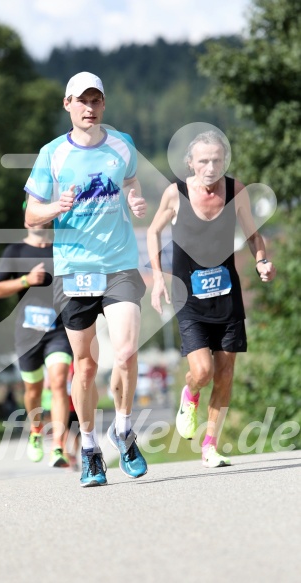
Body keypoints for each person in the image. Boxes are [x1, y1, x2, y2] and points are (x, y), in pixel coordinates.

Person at [24, 71, 148, 487]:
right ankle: (92, 447)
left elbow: (130, 180)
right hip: (75, 269)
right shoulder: (52, 155)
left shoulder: (121, 145)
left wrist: (134, 197)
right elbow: (30, 215)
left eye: (96, 101)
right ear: (67, 105)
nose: (89, 108)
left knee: (127, 351)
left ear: (103, 105)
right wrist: (55, 207)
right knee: (86, 365)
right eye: (82, 101)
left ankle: (125, 431)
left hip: (119, 263)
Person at [147, 130, 276, 468]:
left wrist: (261, 260)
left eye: (217, 160)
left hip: (227, 294)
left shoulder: (236, 191)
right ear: (191, 163)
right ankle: (189, 396)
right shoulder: (175, 194)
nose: (210, 167)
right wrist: (158, 277)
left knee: (226, 371)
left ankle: (210, 445)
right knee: (202, 371)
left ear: (225, 162)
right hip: (189, 297)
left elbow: (252, 234)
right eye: (203, 160)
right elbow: (152, 231)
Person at [0, 225, 73, 468]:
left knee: (58, 382)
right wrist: (26, 280)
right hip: (27, 332)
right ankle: (36, 430)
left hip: (58, 328)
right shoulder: (15, 250)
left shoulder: (61, 249)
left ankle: (58, 445)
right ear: (27, 219)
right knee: (33, 392)